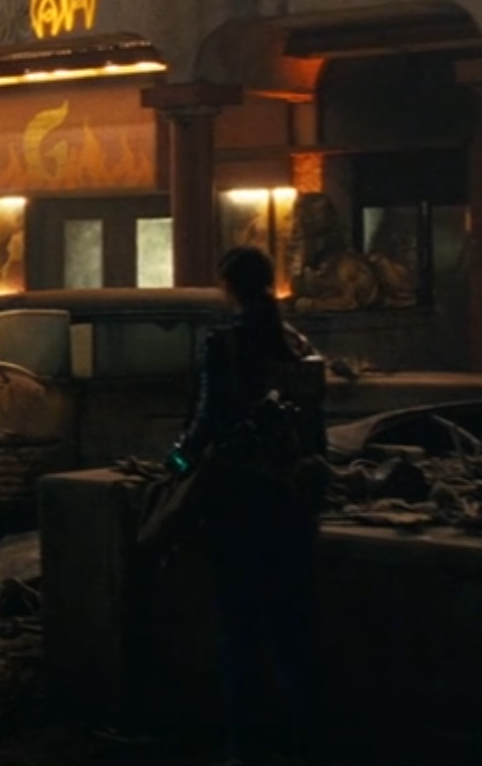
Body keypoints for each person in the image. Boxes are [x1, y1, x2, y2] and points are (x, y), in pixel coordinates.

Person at [169, 246, 325, 766]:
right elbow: (315, 429)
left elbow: (206, 423)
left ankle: (247, 747)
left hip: (239, 503)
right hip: (292, 504)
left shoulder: (225, 345)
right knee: (293, 630)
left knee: (239, 632)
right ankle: (303, 740)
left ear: (228, 287)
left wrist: (175, 463)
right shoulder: (297, 345)